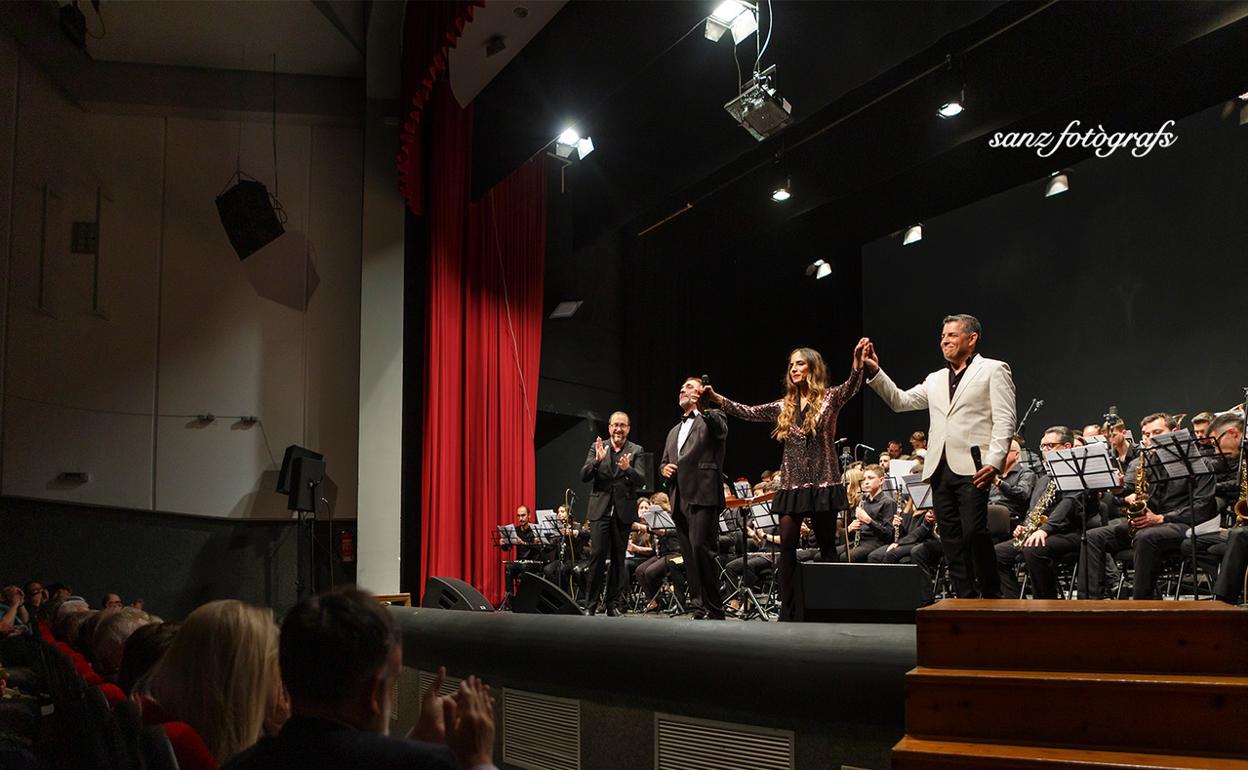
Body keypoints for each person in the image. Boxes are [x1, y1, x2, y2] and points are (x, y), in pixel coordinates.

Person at [225, 588, 496, 770]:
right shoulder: (431, 765)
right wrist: (478, 760)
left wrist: (419, 737)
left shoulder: (238, 765)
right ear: (373, 693)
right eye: (392, 683)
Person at [704, 341, 866, 620]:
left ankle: (831, 607)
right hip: (791, 484)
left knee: (827, 546)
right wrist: (718, 399)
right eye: (791, 365)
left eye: (800, 363)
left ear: (812, 367)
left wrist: (858, 364)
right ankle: (789, 609)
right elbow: (749, 411)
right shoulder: (784, 406)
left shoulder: (830, 398)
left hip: (823, 483)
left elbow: (852, 385)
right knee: (788, 545)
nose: (794, 368)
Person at [862, 314, 1017, 598]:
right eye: (943, 336)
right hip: (939, 469)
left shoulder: (993, 370)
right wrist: (875, 371)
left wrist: (995, 461)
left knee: (974, 533)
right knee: (950, 539)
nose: (945, 340)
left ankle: (992, 595)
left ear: (972, 339)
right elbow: (901, 401)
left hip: (974, 467)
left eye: (952, 335)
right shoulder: (935, 379)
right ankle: (965, 599)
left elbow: (1005, 420)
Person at [1085, 412, 1217, 600]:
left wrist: (1162, 518)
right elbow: (1130, 495)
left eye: (1156, 432)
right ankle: (1090, 604)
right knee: (1092, 536)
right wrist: (1120, 490)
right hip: (1153, 523)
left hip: (1186, 524)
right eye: (1146, 435)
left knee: (1146, 536)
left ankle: (1142, 605)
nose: (1150, 439)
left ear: (1175, 432)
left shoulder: (1200, 463)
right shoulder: (1148, 463)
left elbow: (1203, 506)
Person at [143, 600, 289, 765]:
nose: (280, 683)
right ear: (245, 685)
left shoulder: (158, 733)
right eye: (275, 669)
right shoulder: (189, 751)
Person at [660, 377, 730, 620]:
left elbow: (720, 431)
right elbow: (663, 462)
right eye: (681, 387)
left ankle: (715, 607)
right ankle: (699, 606)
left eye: (689, 386)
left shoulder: (714, 417)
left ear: (702, 392)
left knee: (702, 548)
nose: (682, 390)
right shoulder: (672, 432)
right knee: (689, 554)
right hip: (678, 496)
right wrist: (664, 470)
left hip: (703, 492)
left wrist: (707, 405)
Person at [580, 412, 645, 616]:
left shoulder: (636, 450)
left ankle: (612, 605)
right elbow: (584, 476)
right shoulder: (597, 447)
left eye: (622, 425)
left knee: (619, 559)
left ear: (628, 428)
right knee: (597, 556)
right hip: (600, 510)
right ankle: (590, 605)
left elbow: (641, 479)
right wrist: (597, 461)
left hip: (623, 512)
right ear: (609, 428)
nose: (618, 429)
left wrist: (628, 470)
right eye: (615, 425)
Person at [498, 505, 544, 598]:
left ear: (529, 515)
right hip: (520, 562)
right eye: (518, 516)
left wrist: (523, 542)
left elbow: (539, 548)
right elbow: (508, 548)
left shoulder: (535, 530)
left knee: (524, 567)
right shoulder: (516, 530)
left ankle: (524, 598)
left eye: (523, 515)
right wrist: (504, 544)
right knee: (508, 568)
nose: (520, 518)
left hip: (534, 563)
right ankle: (510, 598)